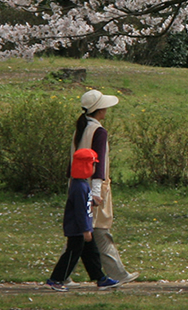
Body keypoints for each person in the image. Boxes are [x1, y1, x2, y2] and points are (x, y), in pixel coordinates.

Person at [71, 89, 138, 284]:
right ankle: (64, 275)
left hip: (78, 184)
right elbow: (98, 164)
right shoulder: (98, 131)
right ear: (99, 110)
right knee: (97, 230)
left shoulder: (81, 128)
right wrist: (97, 192)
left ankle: (113, 272)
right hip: (93, 186)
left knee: (87, 231)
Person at [47, 149, 120, 292]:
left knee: (91, 253)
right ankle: (56, 279)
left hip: (83, 227)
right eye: (92, 165)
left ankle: (100, 278)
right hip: (78, 229)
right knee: (72, 255)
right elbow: (80, 212)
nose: (94, 168)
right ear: (85, 166)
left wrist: (92, 201)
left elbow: (84, 205)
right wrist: (85, 230)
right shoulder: (79, 187)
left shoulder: (82, 184)